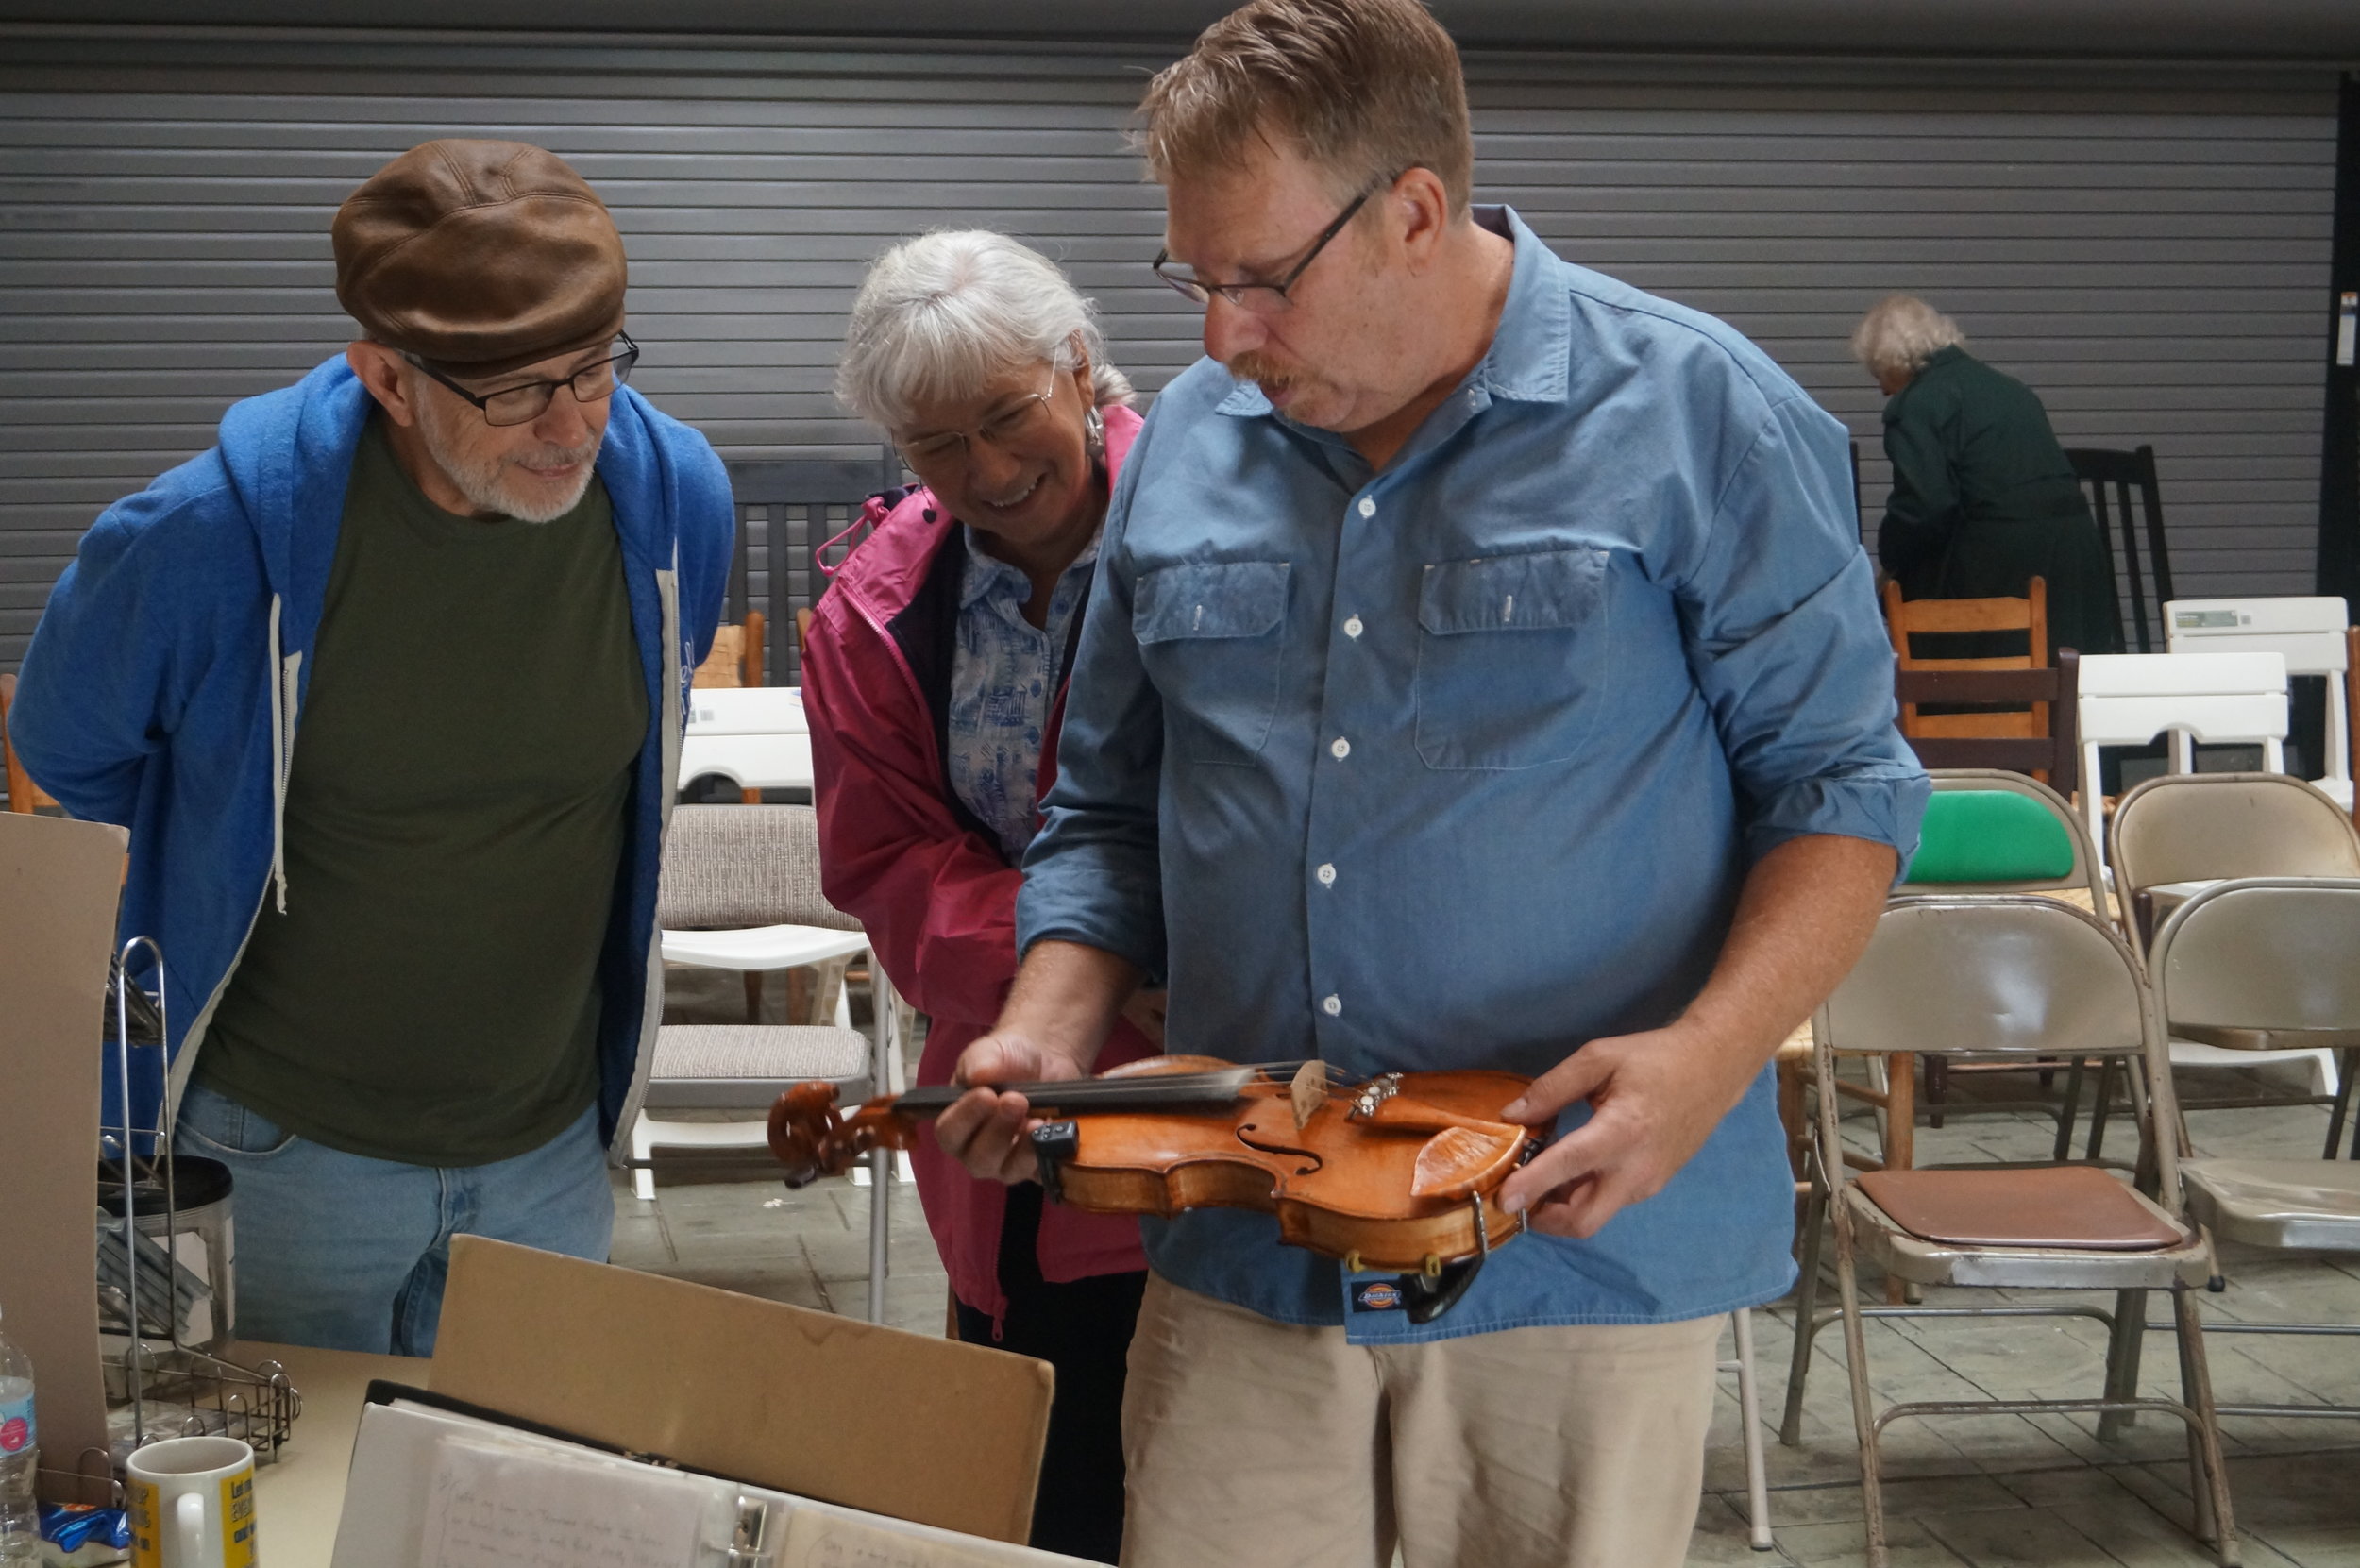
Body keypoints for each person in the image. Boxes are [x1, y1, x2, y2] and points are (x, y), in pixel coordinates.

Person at [931, 4, 1929, 1566]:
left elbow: (1843, 789)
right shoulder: (1188, 444)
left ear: (1414, 210)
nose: (1219, 338)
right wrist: (1047, 1029)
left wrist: (1704, 1062)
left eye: (1261, 279)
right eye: (1193, 281)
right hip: (1248, 1240)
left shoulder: (1698, 412)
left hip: (1570, 1244)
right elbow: (1108, 810)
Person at [7, 140, 733, 1357]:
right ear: (387, 379)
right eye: (512, 391)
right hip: (277, 1156)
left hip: (548, 1160)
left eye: (593, 368)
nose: (570, 426)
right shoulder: (202, 542)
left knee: (509, 1520)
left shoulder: (670, 505)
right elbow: (67, 753)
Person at [803, 231, 1157, 1564]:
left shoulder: (1230, 511)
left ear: (1077, 366)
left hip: (1238, 1124)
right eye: (936, 445)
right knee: (1048, 1516)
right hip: (1021, 1147)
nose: (989, 473)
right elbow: (889, 870)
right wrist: (1102, 954)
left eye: (1009, 416)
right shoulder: (876, 611)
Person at [1854, 293, 2123, 657]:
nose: (1883, 390)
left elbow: (1925, 509)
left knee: (1915, 607)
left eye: (1878, 373)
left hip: (2004, 569)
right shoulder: (2011, 389)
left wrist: (1888, 560)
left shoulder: (1918, 405)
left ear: (1892, 361)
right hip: (2077, 563)